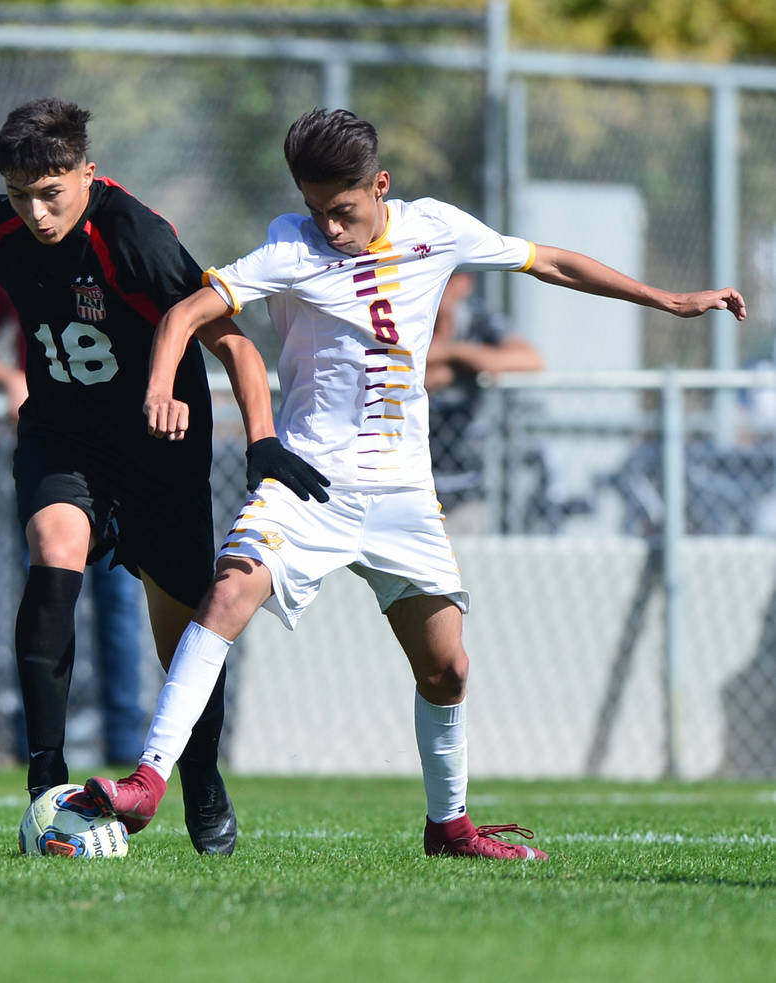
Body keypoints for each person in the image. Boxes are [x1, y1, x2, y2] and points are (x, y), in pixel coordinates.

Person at [83, 108, 747, 861]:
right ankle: (147, 781)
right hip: (310, 481)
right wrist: (163, 383)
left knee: (447, 665)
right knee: (229, 590)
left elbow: (551, 262)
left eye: (344, 210)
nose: (330, 227)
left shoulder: (437, 228)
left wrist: (670, 300)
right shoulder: (288, 245)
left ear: (381, 186)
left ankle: (450, 826)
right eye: (315, 209)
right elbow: (187, 311)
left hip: (403, 494)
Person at [0, 98, 326, 854]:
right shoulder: (0, 223)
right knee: (52, 561)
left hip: (160, 449)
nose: (35, 211)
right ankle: (45, 780)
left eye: (51, 193)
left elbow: (235, 344)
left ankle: (202, 773)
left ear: (87, 174)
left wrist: (260, 438)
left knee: (183, 630)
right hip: (64, 435)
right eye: (20, 194)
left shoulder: (136, 237)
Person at [0, 270, 145, 765]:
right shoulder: (14, 254)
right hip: (50, 455)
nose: (42, 209)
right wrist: (10, 378)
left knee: (120, 603)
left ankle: (128, 747)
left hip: (117, 452)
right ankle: (38, 746)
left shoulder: (122, 250)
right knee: (45, 597)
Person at [426, 271, 544, 523]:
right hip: (405, 480)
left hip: (465, 485)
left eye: (444, 280)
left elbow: (530, 360)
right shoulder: (404, 312)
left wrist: (455, 355)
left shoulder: (478, 321)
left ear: (464, 284)